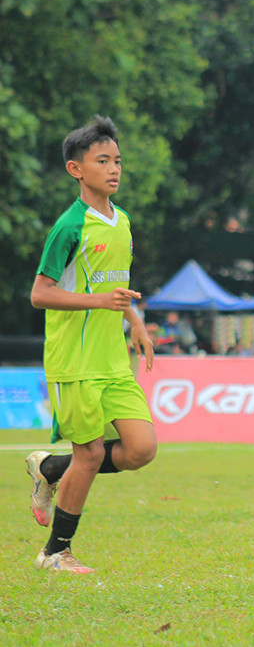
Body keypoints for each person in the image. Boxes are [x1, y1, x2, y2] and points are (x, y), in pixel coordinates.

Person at [24, 115, 157, 574]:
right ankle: (55, 552)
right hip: (74, 361)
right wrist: (101, 301)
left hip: (112, 360)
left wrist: (134, 321)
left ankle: (51, 469)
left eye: (117, 160)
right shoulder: (68, 227)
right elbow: (41, 293)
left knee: (141, 449)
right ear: (75, 169)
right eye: (102, 161)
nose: (114, 168)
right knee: (92, 452)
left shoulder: (122, 222)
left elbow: (113, 284)